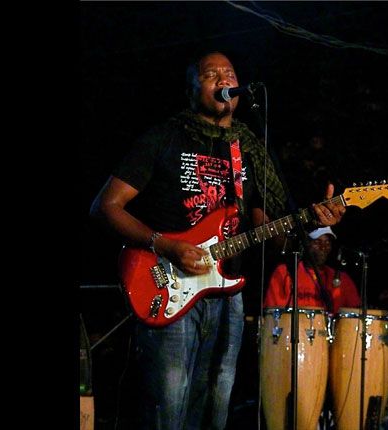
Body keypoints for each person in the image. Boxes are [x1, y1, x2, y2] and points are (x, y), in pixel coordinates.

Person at [90, 50, 346, 430]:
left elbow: (267, 233)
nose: (224, 80)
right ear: (192, 89)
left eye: (229, 73)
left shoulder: (248, 150)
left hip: (228, 295)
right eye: (211, 75)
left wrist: (311, 222)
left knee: (215, 408)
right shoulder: (165, 137)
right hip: (169, 283)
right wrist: (167, 246)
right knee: (169, 407)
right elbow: (106, 206)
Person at [264, 226, 361, 314]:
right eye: (317, 242)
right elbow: (271, 313)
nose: (323, 247)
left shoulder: (342, 278)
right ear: (305, 244)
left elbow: (356, 315)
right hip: (294, 331)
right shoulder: (285, 272)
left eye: (327, 242)